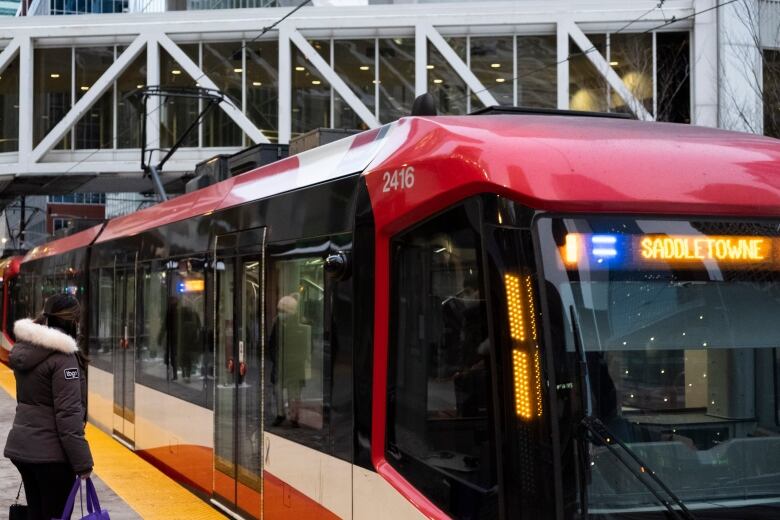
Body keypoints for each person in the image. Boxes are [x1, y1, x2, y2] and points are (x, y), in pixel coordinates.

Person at [4, 294, 94, 520]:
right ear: (72, 322)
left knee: (38, 514)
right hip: (51, 457)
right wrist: (83, 463)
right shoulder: (63, 359)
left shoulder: (27, 350)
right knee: (56, 515)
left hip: (24, 450)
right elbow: (68, 417)